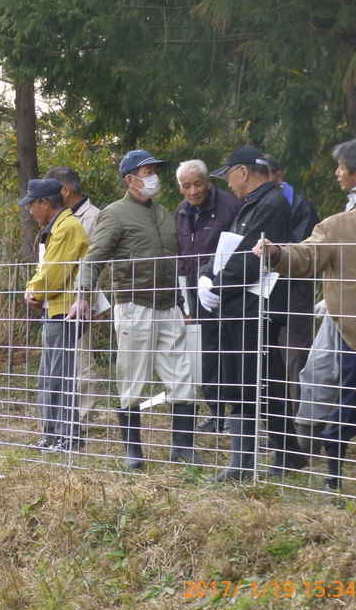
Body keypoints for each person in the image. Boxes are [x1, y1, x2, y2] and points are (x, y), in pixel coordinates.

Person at [254, 158, 356, 494]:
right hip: (355, 336)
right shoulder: (337, 228)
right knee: (349, 409)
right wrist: (275, 254)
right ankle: (334, 474)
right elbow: (305, 256)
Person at [68, 150, 198, 468]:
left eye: (155, 169)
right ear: (130, 179)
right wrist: (83, 295)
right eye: (148, 170)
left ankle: (182, 449)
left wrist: (183, 304)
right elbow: (94, 258)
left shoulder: (167, 215)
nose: (154, 175)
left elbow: (176, 264)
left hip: (169, 308)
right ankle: (133, 453)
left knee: (183, 378)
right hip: (133, 308)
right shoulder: (113, 214)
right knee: (133, 381)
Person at [197, 144, 303, 481]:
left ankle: (246, 462)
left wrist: (214, 285)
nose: (227, 183)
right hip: (241, 307)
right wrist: (207, 275)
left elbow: (250, 260)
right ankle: (284, 453)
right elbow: (231, 251)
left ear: (243, 172)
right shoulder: (252, 206)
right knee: (254, 379)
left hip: (255, 308)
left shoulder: (269, 205)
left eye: (229, 174)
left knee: (250, 381)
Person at [295, 139, 356, 453]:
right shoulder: (355, 204)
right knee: (322, 367)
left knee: (327, 369)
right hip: (343, 305)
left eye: (342, 167)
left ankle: (315, 444)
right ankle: (313, 440)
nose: (337, 173)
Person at [21, 178, 90, 451]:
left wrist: (34, 291)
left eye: (32, 205)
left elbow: (53, 274)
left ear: (45, 203)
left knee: (59, 377)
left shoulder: (67, 228)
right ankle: (52, 436)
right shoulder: (60, 227)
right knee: (49, 376)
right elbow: (47, 269)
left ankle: (69, 438)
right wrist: (33, 288)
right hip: (57, 310)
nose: (30, 211)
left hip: (66, 313)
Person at [174, 159, 242, 433]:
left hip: (226, 293)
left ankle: (237, 413)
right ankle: (215, 411)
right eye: (187, 186)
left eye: (198, 184)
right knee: (207, 353)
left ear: (208, 182)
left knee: (231, 353)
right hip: (195, 293)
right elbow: (180, 256)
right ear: (180, 188)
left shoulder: (229, 206)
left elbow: (239, 249)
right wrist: (185, 299)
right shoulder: (181, 211)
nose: (193, 191)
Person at [263, 153, 320, 427]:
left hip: (295, 288)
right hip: (265, 290)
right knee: (268, 354)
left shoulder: (302, 207)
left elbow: (301, 252)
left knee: (297, 355)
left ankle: (302, 423)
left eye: (266, 175)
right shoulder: (256, 204)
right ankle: (276, 422)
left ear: (278, 176)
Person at [44, 166, 103, 428]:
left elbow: (92, 263)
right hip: (59, 297)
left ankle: (84, 416)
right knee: (63, 359)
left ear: (65, 191)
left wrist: (85, 296)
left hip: (83, 297)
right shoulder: (61, 218)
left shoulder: (93, 217)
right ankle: (67, 418)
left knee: (81, 355)